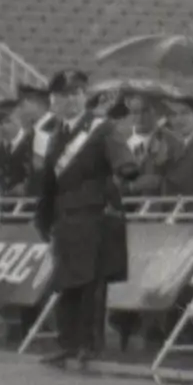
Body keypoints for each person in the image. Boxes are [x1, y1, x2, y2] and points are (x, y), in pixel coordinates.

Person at [29, 94, 127, 370]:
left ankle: (89, 346)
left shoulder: (101, 128)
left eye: (75, 93)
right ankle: (67, 343)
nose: (69, 100)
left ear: (83, 98)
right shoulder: (55, 134)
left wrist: (124, 170)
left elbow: (120, 160)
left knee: (90, 284)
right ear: (54, 101)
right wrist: (43, 217)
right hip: (64, 218)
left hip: (93, 214)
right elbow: (49, 181)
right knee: (65, 283)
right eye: (62, 94)